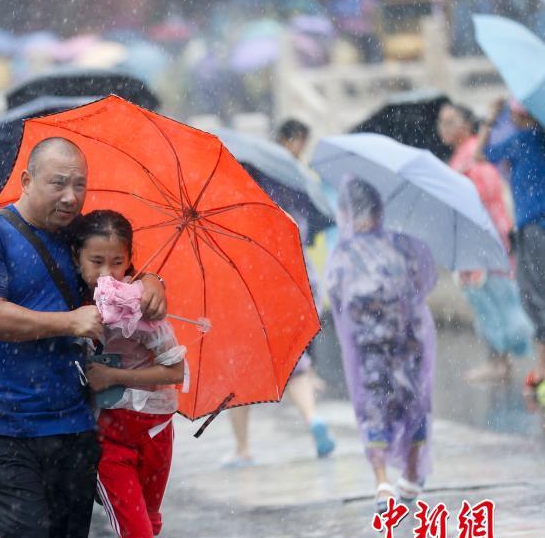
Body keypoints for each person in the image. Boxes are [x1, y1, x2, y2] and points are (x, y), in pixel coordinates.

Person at [0, 137, 166, 538]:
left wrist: (152, 280)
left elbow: (117, 270)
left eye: (79, 186)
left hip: (72, 426)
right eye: (58, 183)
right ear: (27, 180)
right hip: (3, 424)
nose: (71, 196)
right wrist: (68, 322)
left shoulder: (75, 241)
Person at [70, 210, 185, 538]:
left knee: (144, 531)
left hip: (155, 433)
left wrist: (115, 376)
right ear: (77, 259)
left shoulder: (145, 310)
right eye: (96, 262)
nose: (108, 274)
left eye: (118, 262)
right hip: (109, 441)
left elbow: (175, 372)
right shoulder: (68, 307)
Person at [222, 118, 336, 466]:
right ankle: (313, 418)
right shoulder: (291, 192)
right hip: (290, 289)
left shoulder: (239, 200)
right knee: (294, 364)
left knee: (235, 371)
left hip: (248, 292)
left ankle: (242, 448)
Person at [326, 178, 437, 511]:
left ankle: (382, 482)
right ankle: (413, 473)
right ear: (379, 210)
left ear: (346, 212)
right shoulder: (402, 245)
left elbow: (335, 294)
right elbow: (424, 280)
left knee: (375, 407)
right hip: (408, 341)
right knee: (414, 404)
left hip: (369, 347)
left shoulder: (343, 253)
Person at [437, 102, 533, 382]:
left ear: (466, 125)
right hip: (474, 245)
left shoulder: (472, 156)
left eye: (450, 121)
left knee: (500, 303)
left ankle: (502, 360)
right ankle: (499, 359)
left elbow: (484, 196)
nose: (444, 128)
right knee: (487, 304)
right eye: (442, 122)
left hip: (483, 243)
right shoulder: (461, 156)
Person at [476, 98, 545, 390]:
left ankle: (541, 369)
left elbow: (483, 154)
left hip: (533, 227)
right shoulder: (538, 138)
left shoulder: (523, 140)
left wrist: (490, 119)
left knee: (535, 296)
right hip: (534, 226)